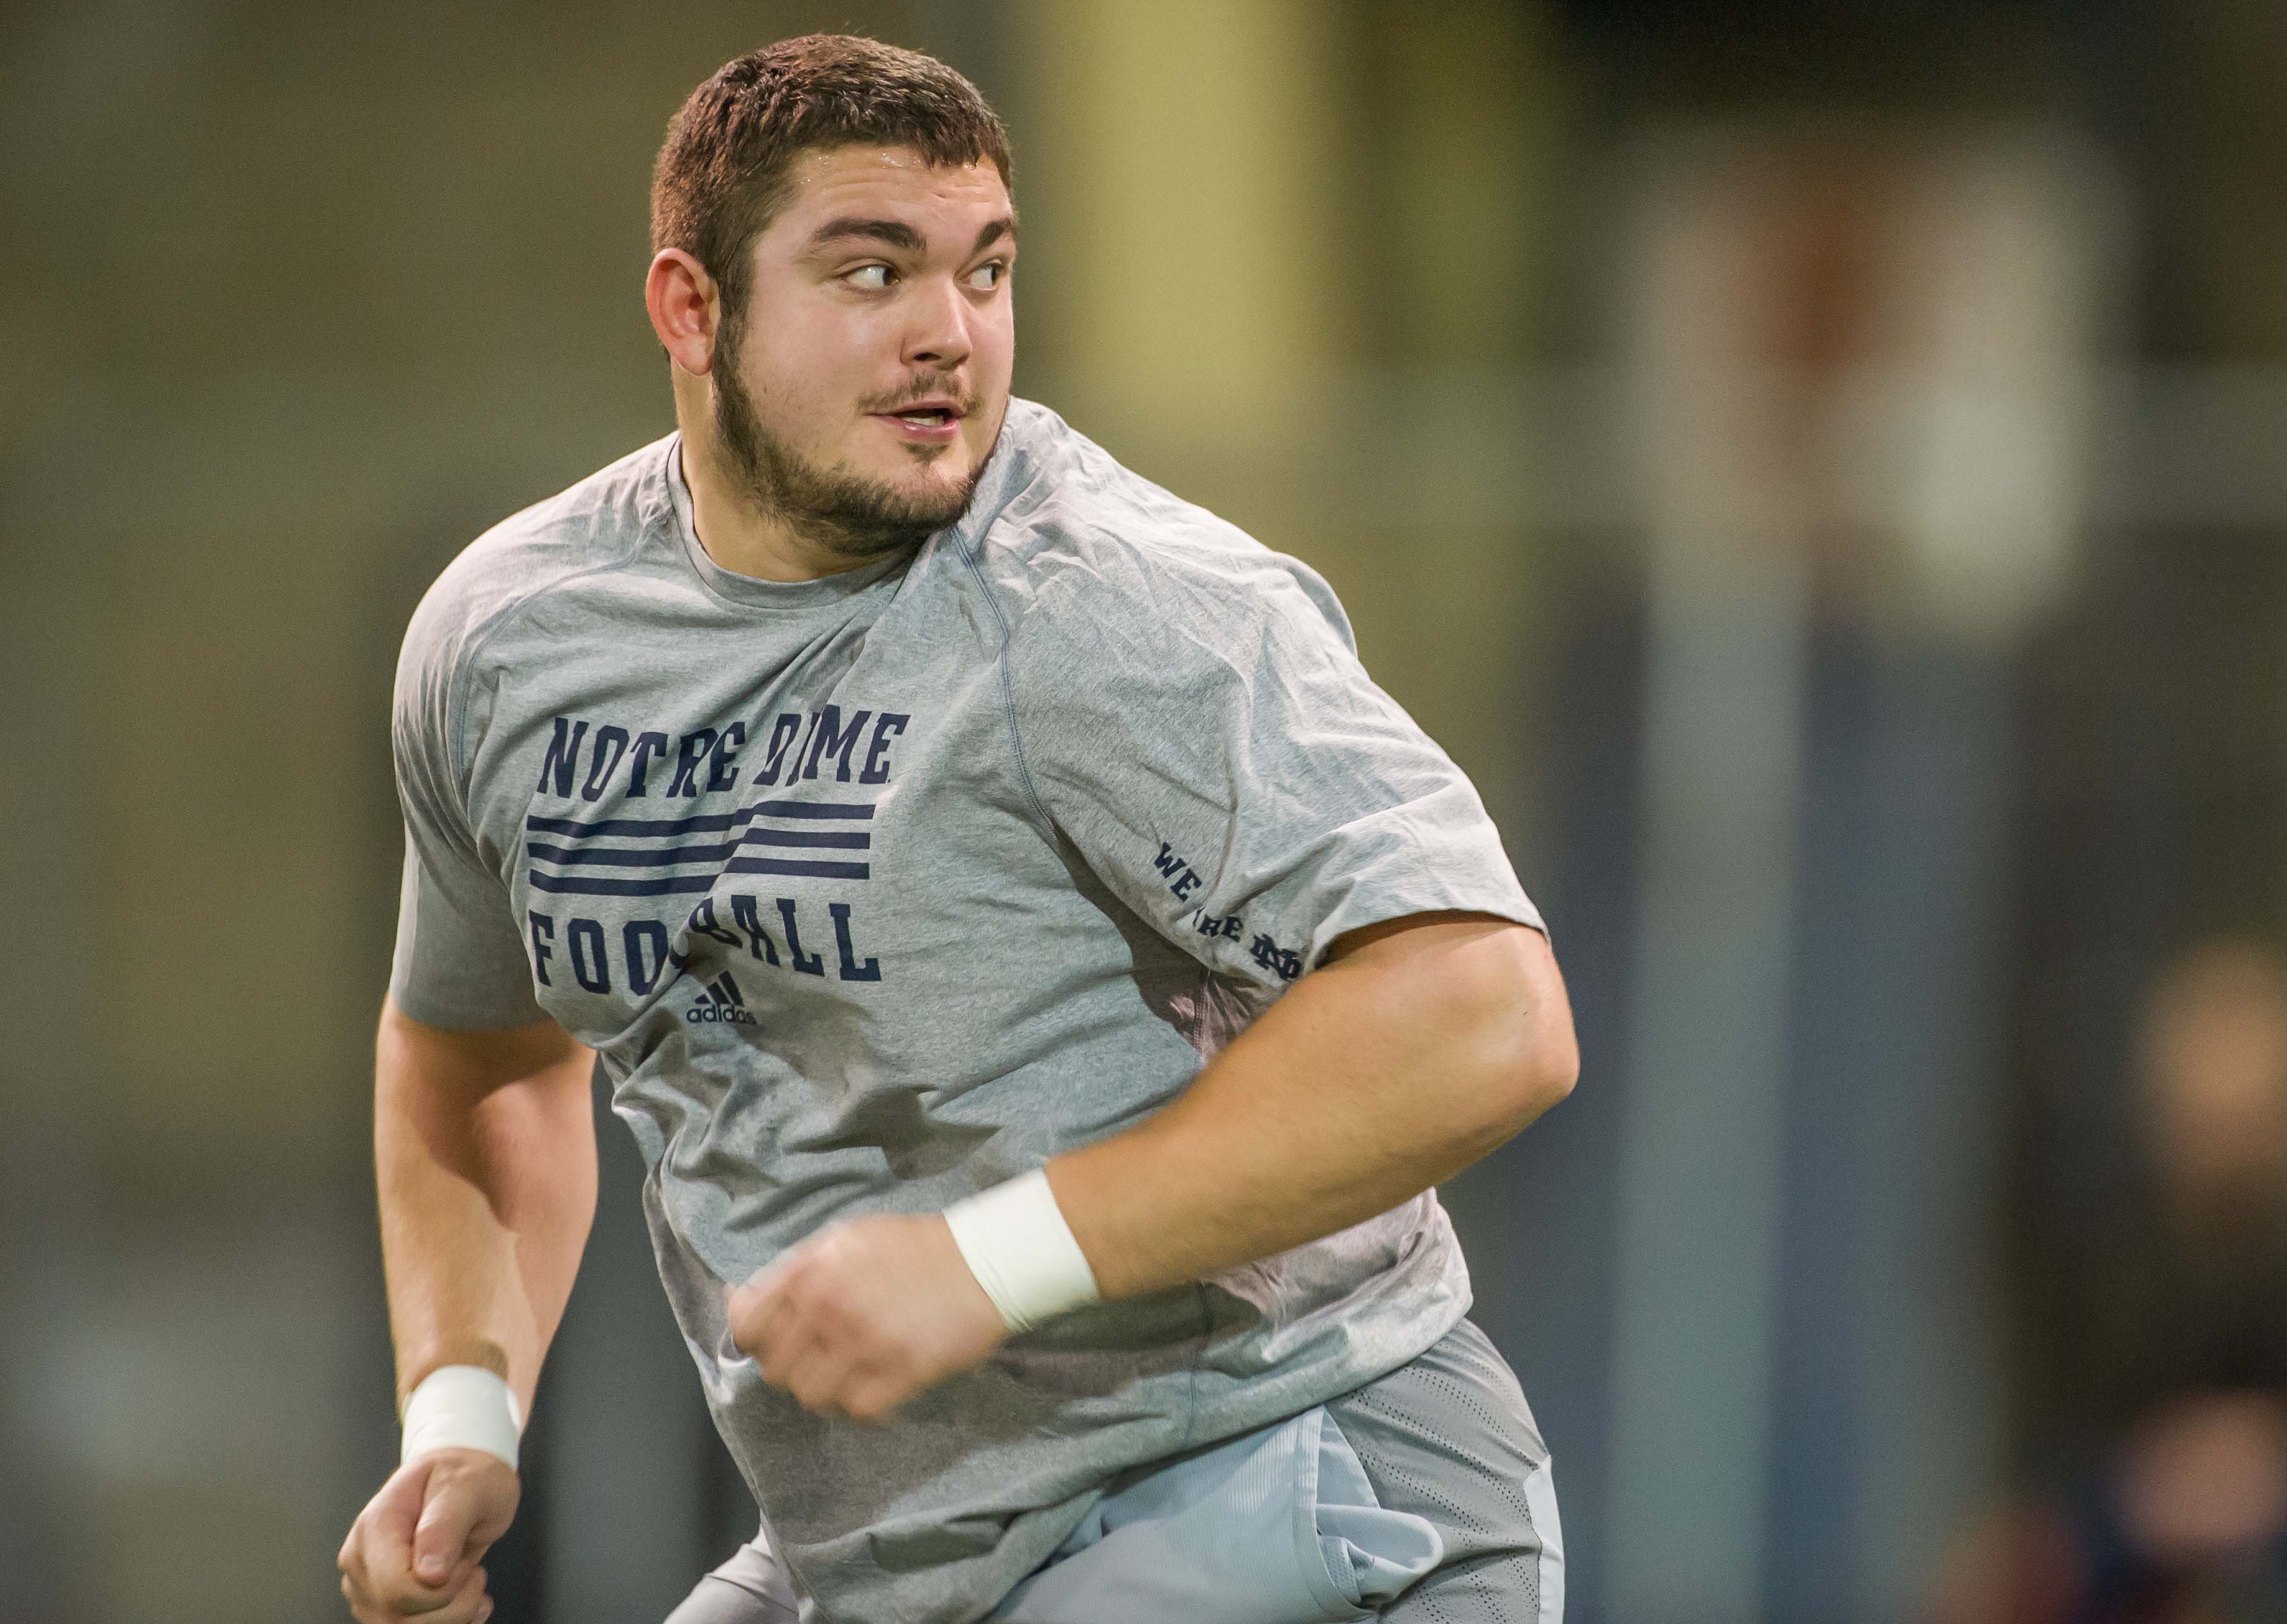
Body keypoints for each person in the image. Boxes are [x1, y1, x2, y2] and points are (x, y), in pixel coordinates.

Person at [336, 33, 1578, 1624]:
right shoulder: (511, 645)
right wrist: (460, 1414)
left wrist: (990, 1259)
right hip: (886, 1554)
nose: (949, 336)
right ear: (690, 309)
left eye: (984, 272)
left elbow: (1485, 1012)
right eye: (870, 273)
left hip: (1280, 1477)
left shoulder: (1106, 604)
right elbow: (480, 1050)